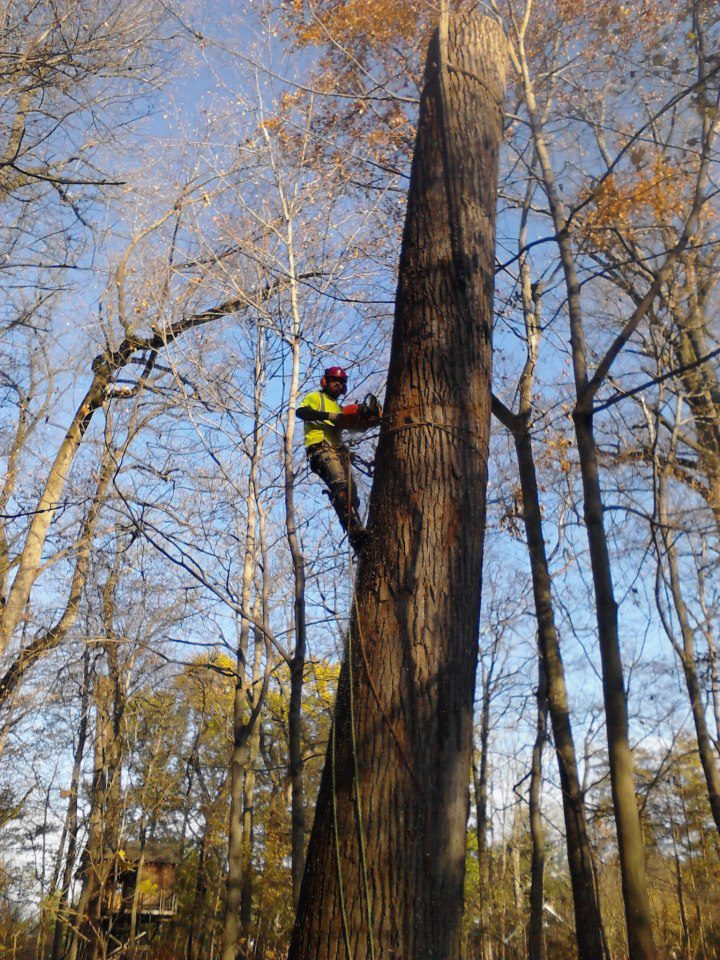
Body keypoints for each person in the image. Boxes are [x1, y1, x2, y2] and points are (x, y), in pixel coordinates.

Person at [296, 366, 379, 553]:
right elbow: (301, 413)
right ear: (325, 381)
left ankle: (357, 535)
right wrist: (329, 416)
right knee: (340, 484)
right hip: (320, 448)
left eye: (341, 383)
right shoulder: (315, 398)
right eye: (334, 381)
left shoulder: (339, 407)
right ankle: (354, 529)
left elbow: (351, 426)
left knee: (353, 496)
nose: (337, 384)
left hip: (339, 451)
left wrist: (366, 420)